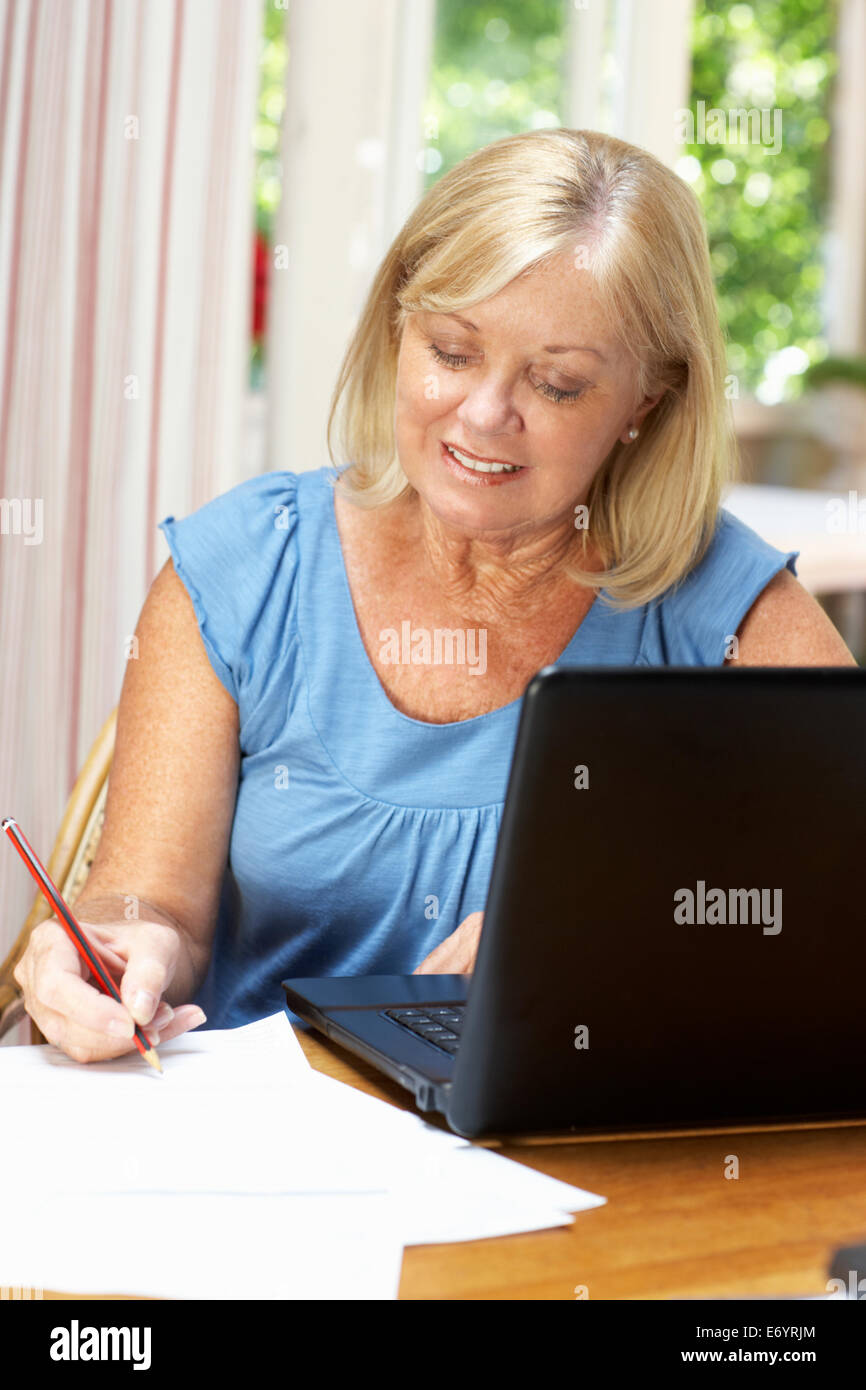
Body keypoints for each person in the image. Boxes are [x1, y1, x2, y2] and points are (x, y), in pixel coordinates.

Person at [14, 128, 855, 1063]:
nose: (486, 414)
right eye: (452, 352)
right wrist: (116, 951)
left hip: (585, 1166)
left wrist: (629, 933)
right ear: (397, 329)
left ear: (646, 404)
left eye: (558, 382)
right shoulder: (247, 570)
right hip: (260, 1162)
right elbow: (152, 905)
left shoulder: (726, 613)